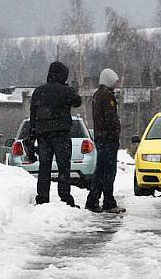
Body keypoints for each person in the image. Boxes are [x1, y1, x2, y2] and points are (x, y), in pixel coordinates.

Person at [29, 61, 82, 207]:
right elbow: (77, 102)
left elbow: (33, 115)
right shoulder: (66, 91)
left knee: (44, 167)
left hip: (43, 135)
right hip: (61, 134)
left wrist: (32, 135)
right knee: (63, 166)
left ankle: (42, 197)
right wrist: (70, 89)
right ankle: (65, 197)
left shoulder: (39, 91)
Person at [86, 68, 125, 213]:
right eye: (114, 81)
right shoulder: (107, 96)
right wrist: (115, 132)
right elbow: (111, 119)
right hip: (108, 139)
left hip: (102, 138)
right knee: (107, 172)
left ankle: (95, 200)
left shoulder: (98, 95)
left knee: (101, 171)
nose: (116, 84)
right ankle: (106, 201)